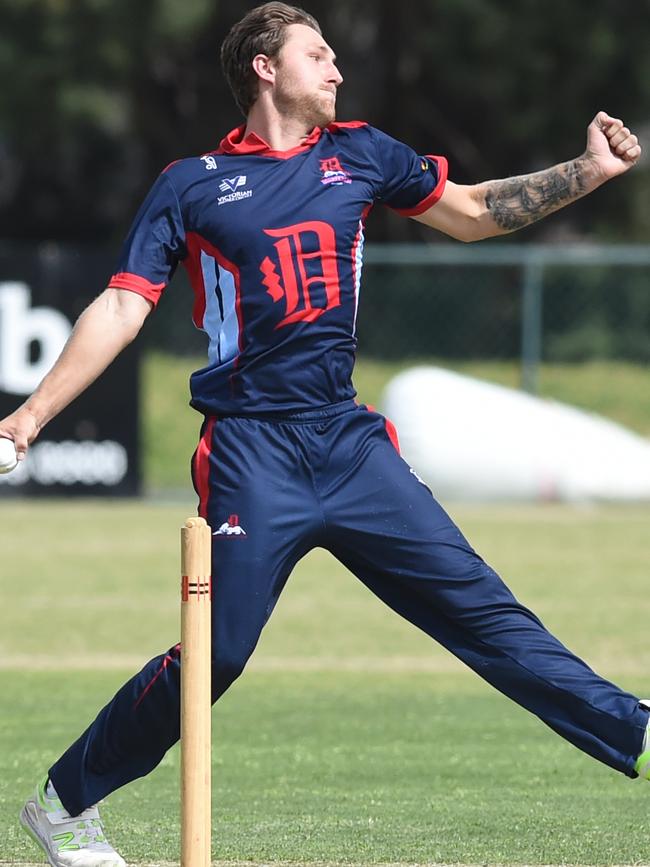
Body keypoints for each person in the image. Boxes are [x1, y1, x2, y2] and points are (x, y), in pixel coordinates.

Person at [3, 3, 646, 865]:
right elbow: (123, 303)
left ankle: (637, 729)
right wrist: (34, 410)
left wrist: (589, 169)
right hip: (250, 450)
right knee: (218, 653)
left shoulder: (361, 153)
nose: (337, 69)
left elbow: (472, 212)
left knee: (484, 609)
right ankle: (63, 803)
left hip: (349, 445)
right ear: (265, 70)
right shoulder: (191, 183)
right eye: (319, 54)